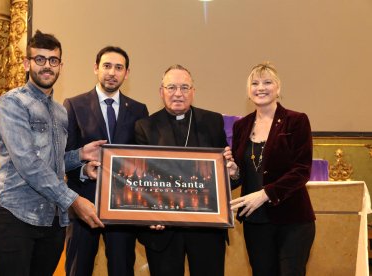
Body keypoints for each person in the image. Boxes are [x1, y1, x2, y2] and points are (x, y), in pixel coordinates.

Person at [0, 30, 104, 276]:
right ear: (27, 63)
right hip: (15, 215)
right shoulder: (12, 103)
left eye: (53, 60)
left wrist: (81, 156)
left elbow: (53, 162)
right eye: (39, 59)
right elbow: (28, 163)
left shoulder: (60, 111)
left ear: (61, 65)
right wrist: (74, 200)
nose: (47, 66)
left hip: (52, 220)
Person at [134, 64, 232, 276]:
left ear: (193, 92)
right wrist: (149, 215)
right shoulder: (145, 126)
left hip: (206, 229)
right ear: (161, 92)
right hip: (163, 231)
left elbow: (224, 176)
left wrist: (232, 172)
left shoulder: (213, 122)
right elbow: (139, 180)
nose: (178, 93)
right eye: (171, 87)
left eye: (185, 87)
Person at [63, 46, 149, 276]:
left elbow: (144, 161)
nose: (112, 72)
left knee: (122, 269)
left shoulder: (139, 110)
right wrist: (83, 171)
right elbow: (63, 157)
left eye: (119, 68)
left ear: (127, 73)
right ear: (96, 68)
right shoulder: (73, 105)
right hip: (83, 203)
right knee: (78, 269)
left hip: (124, 208)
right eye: (107, 66)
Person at [230, 62, 316, 276]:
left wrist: (266, 194)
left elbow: (301, 170)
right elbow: (243, 173)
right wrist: (234, 172)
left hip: (292, 219)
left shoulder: (296, 121)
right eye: (255, 83)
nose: (261, 87)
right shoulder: (241, 126)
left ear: (278, 88)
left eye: (267, 82)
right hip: (255, 220)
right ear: (248, 91)